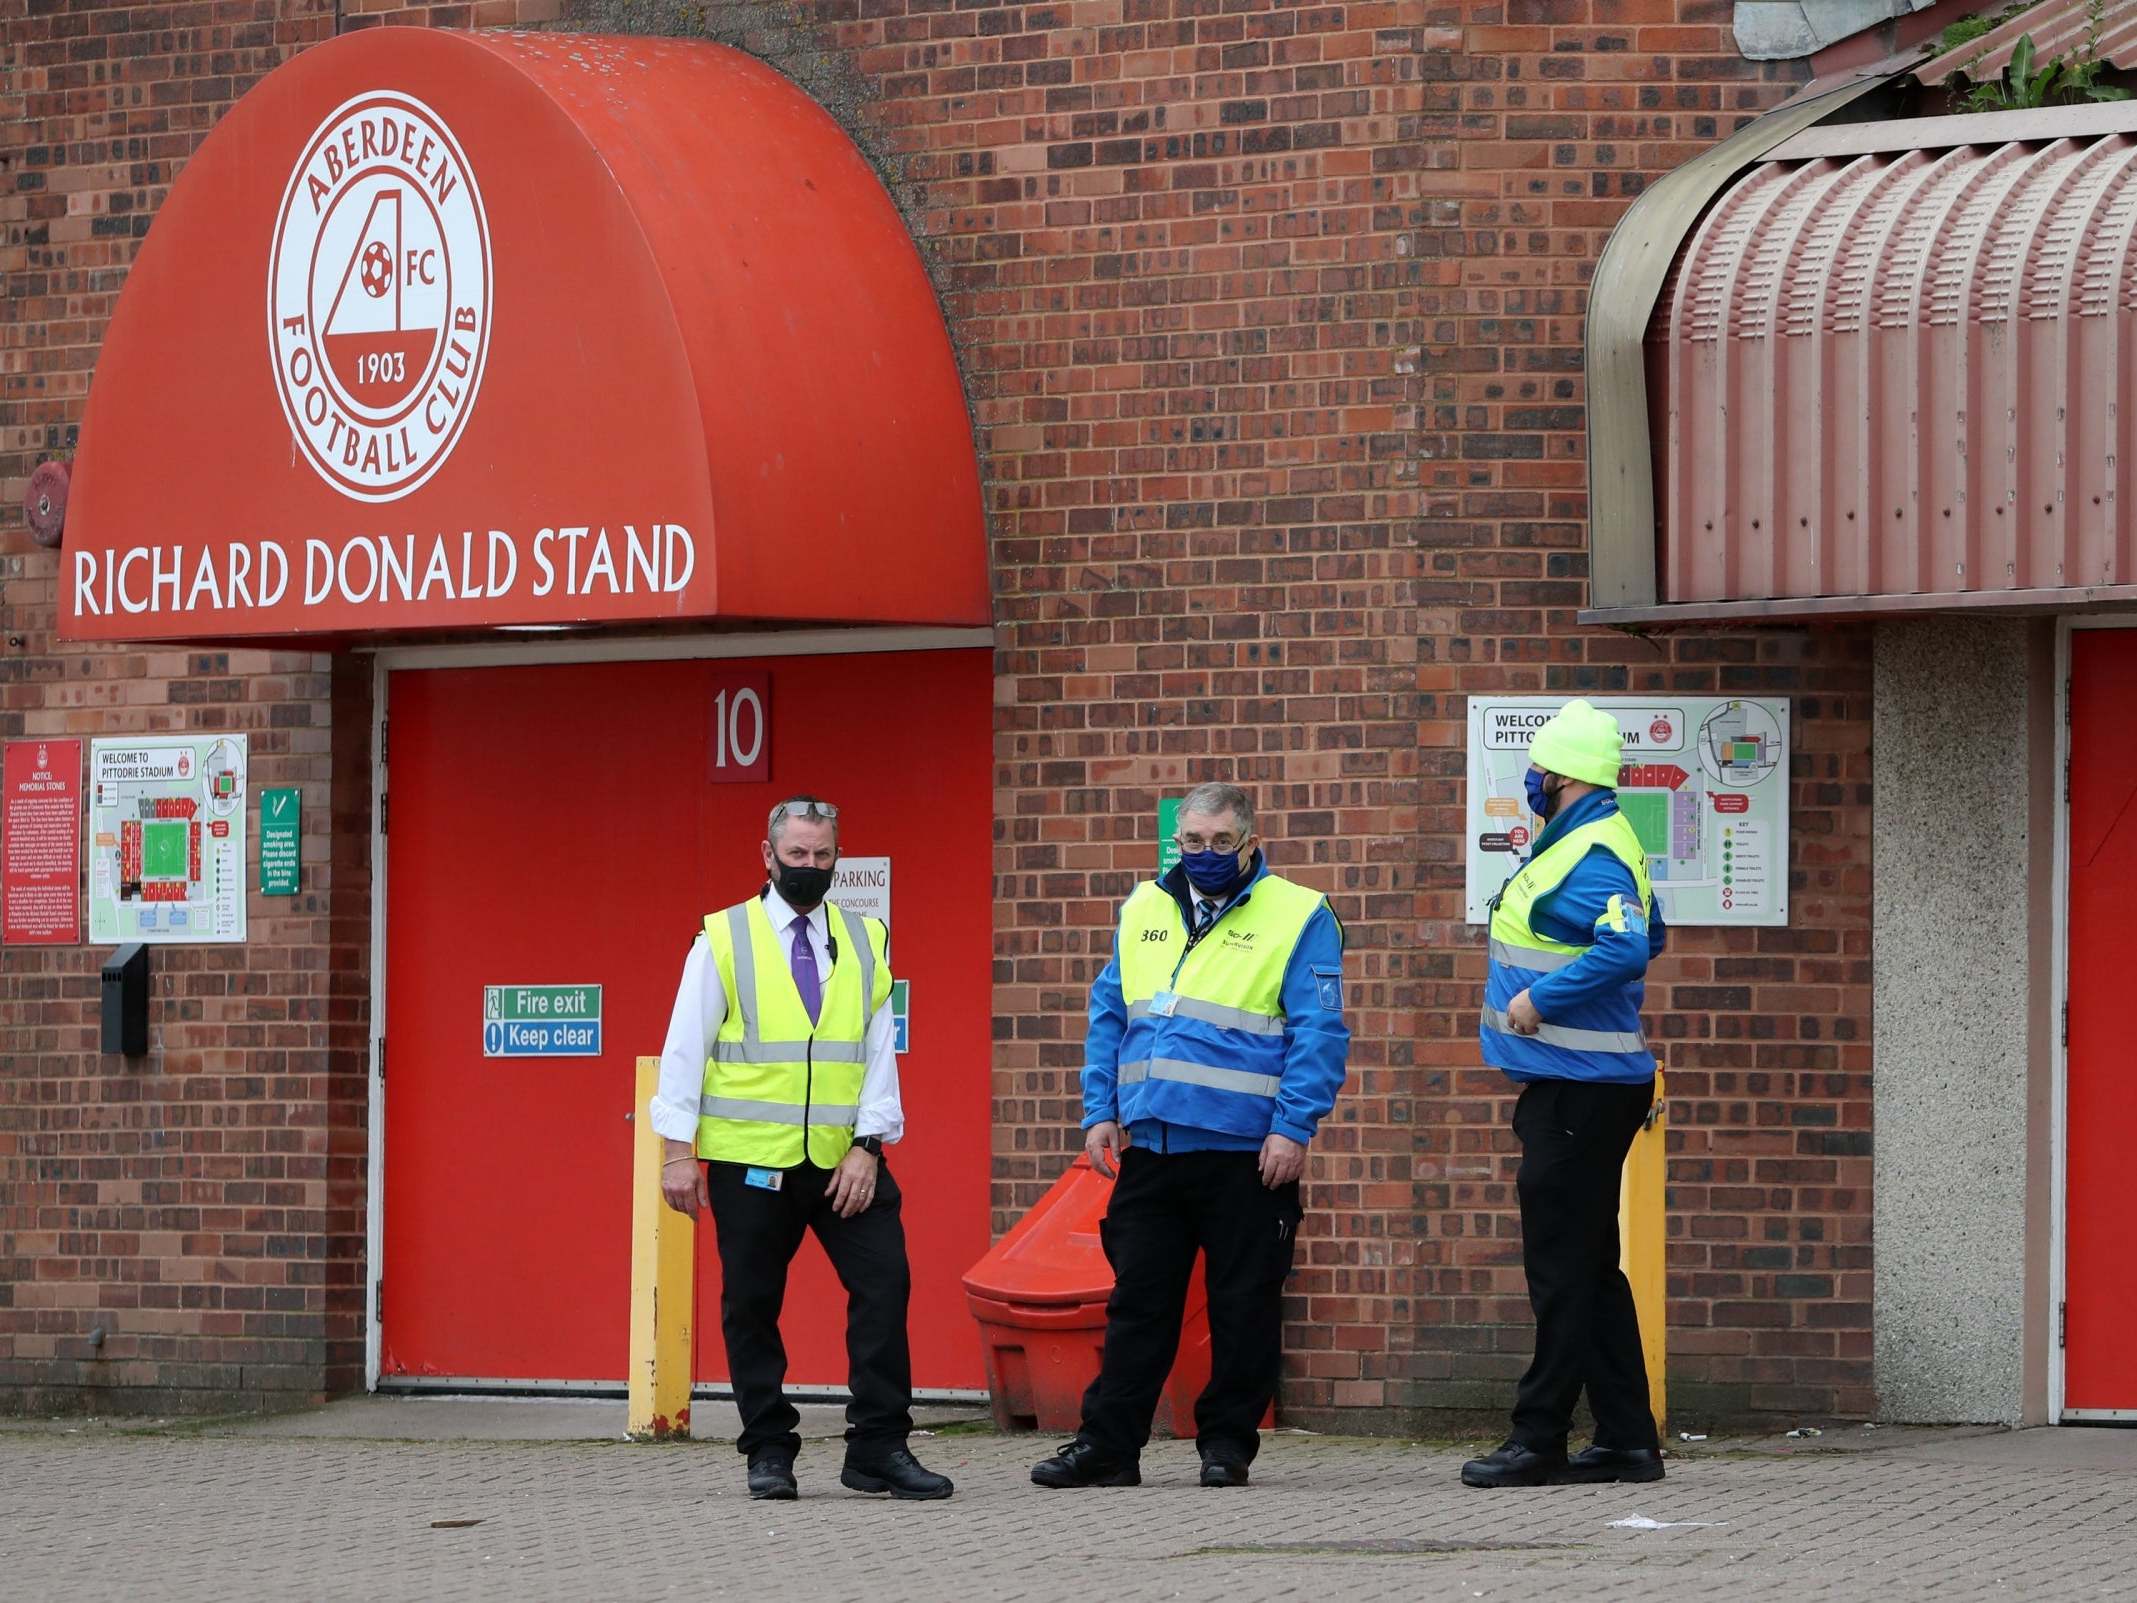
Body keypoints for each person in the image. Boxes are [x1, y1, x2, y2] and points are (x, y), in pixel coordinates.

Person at [1030, 782, 1349, 1490]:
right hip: (1152, 1145)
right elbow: (1109, 1012)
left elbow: (1318, 1032)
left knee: (1243, 1305)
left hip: (1246, 1151)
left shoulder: (1299, 914)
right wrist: (1098, 1108)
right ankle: (1109, 1445)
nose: (1203, 854)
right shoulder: (1144, 906)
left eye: (1219, 842)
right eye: (1191, 842)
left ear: (1250, 839)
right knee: (1136, 1304)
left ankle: (1227, 1445)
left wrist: (1293, 1126)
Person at [652, 795, 952, 1502]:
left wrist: (868, 1145)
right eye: (796, 855)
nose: (810, 867)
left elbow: (879, 1051)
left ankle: (877, 1445)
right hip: (751, 1160)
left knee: (884, 1285)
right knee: (752, 1304)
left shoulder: (864, 938)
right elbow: (683, 1049)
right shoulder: (722, 938)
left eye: (822, 856)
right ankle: (768, 1449)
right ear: (768, 855)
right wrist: (675, 1150)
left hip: (845, 1160)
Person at [1463, 700, 1668, 1489]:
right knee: (1587, 1266)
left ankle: (1538, 1437)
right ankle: (1624, 1438)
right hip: (1576, 1088)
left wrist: (1541, 1000)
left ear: (1564, 775)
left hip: (1580, 1092)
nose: (1531, 780)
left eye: (1539, 769)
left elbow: (1625, 949)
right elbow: (1650, 930)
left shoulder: (1588, 850)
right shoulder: (1596, 842)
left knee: (1560, 1269)